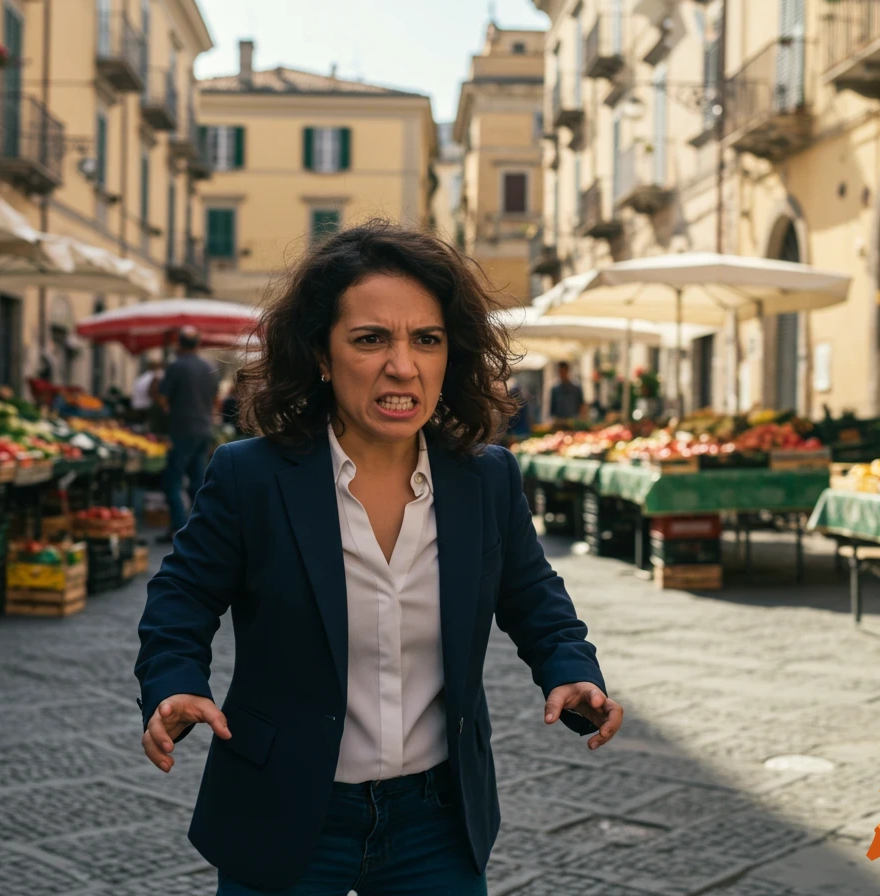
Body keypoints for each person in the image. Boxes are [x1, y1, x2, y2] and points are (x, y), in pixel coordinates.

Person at [134, 222, 622, 895]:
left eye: (427, 339)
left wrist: (570, 670)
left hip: (437, 822)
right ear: (322, 355)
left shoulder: (486, 479)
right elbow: (181, 598)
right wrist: (174, 682)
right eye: (370, 339)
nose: (403, 365)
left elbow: (535, 598)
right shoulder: (251, 476)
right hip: (283, 808)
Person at [154, 325, 218, 541]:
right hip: (204, 429)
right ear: (198, 344)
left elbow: (162, 398)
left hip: (182, 430)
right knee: (198, 482)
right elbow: (215, 401)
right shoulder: (208, 367)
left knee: (172, 481)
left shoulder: (176, 366)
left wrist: (168, 408)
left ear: (179, 344)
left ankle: (179, 528)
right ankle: (199, 528)